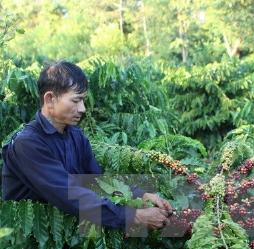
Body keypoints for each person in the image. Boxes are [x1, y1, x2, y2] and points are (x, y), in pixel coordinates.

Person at [1, 61, 172, 229]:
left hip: (67, 229)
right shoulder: (28, 144)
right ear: (50, 99)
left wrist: (140, 195)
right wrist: (133, 217)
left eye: (83, 100)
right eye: (76, 100)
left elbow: (96, 180)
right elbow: (68, 195)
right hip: (29, 240)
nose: (82, 108)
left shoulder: (75, 135)